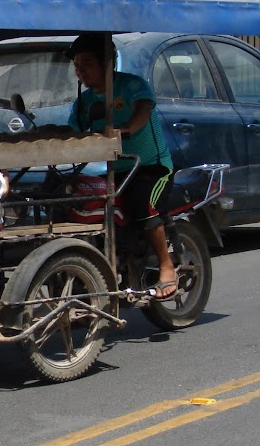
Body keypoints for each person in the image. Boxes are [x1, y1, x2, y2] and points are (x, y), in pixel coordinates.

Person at [66, 32, 179, 299]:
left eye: (87, 64)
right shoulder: (83, 102)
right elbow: (73, 131)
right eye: (77, 66)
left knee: (143, 204)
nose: (81, 71)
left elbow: (142, 111)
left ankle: (167, 266)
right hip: (116, 172)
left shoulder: (132, 86)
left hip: (151, 168)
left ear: (108, 63)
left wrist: (126, 128)